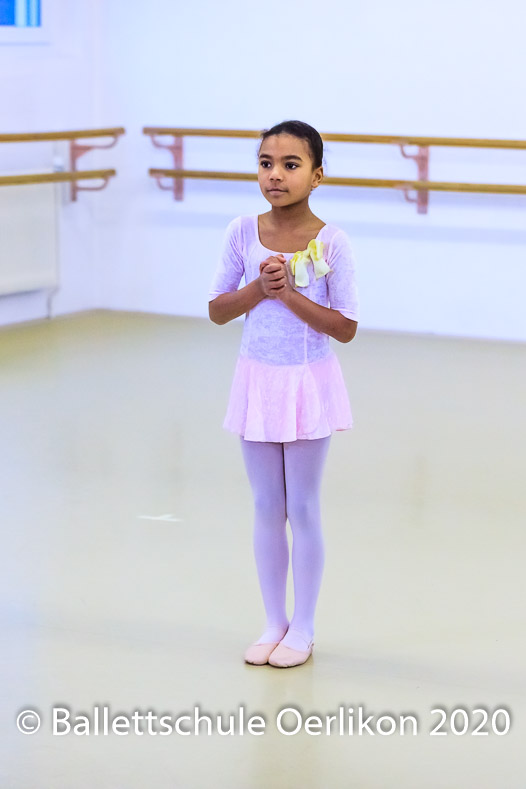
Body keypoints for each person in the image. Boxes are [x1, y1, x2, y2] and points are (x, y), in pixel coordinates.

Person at [208, 120, 359, 668]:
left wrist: (289, 294)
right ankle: (274, 621)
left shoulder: (332, 242)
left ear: (317, 175)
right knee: (266, 505)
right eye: (266, 163)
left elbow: (345, 327)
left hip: (307, 384)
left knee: (303, 506)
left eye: (291, 165)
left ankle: (305, 626)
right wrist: (258, 288)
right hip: (257, 381)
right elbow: (217, 309)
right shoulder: (241, 232)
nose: (275, 174)